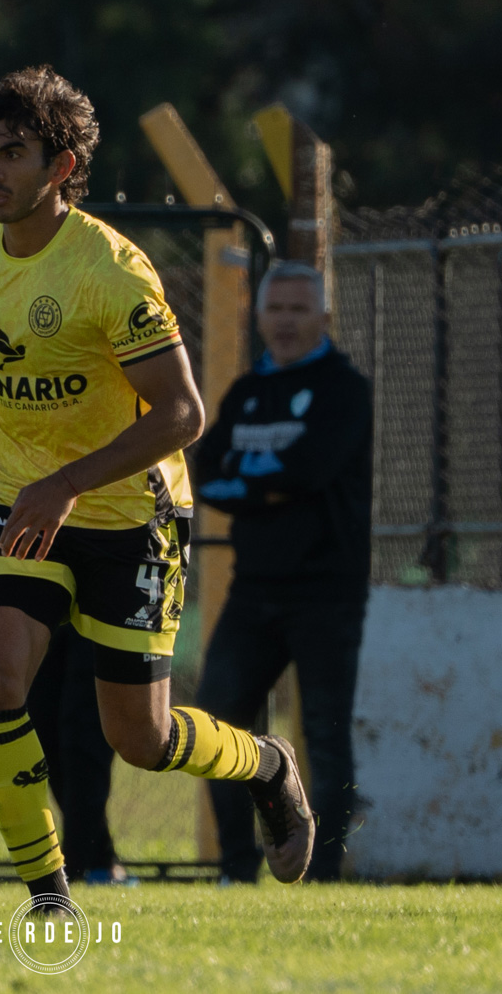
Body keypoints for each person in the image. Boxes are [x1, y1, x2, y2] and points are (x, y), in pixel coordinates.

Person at [0, 66, 313, 909]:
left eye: (14, 155)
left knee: (137, 738)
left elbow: (184, 414)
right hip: (17, 500)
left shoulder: (111, 272)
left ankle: (266, 765)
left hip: (130, 512)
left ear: (62, 167)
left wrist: (67, 482)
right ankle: (48, 894)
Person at [191, 260, 373, 883]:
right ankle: (235, 870)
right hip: (254, 589)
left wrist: (250, 480)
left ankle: (324, 875)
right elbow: (206, 471)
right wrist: (260, 485)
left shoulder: (344, 389)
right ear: (259, 315)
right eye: (277, 309)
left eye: (300, 310)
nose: (287, 321)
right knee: (216, 718)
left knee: (325, 736)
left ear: (323, 317)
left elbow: (308, 471)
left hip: (327, 592)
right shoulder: (245, 394)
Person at [26, 625, 136, 885]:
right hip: (53, 601)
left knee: (84, 732)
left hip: (99, 606)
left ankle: (72, 870)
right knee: (41, 725)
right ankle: (97, 859)